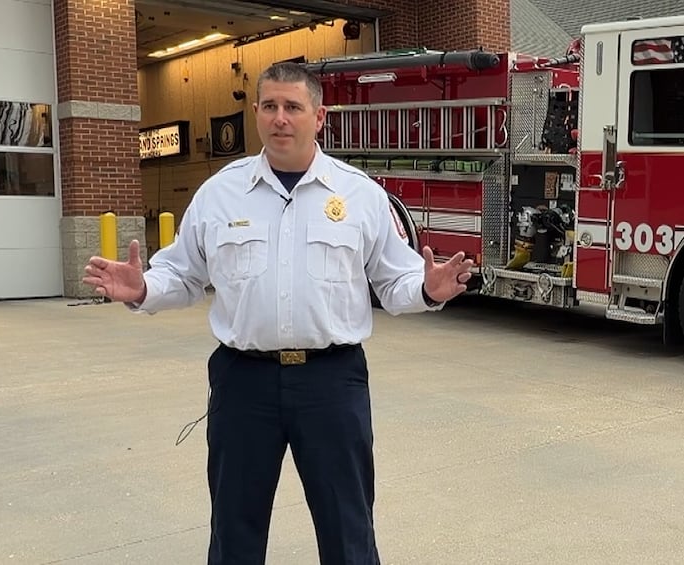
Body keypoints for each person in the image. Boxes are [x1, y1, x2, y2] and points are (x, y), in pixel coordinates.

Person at [82, 61, 474, 564]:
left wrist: (428, 287)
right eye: (269, 106)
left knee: (348, 526)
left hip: (332, 383)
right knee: (234, 528)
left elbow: (394, 281)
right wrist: (142, 288)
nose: (280, 118)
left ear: (319, 116)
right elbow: (181, 276)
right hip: (243, 383)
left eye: (293, 107)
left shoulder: (359, 196)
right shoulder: (220, 194)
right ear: (256, 113)